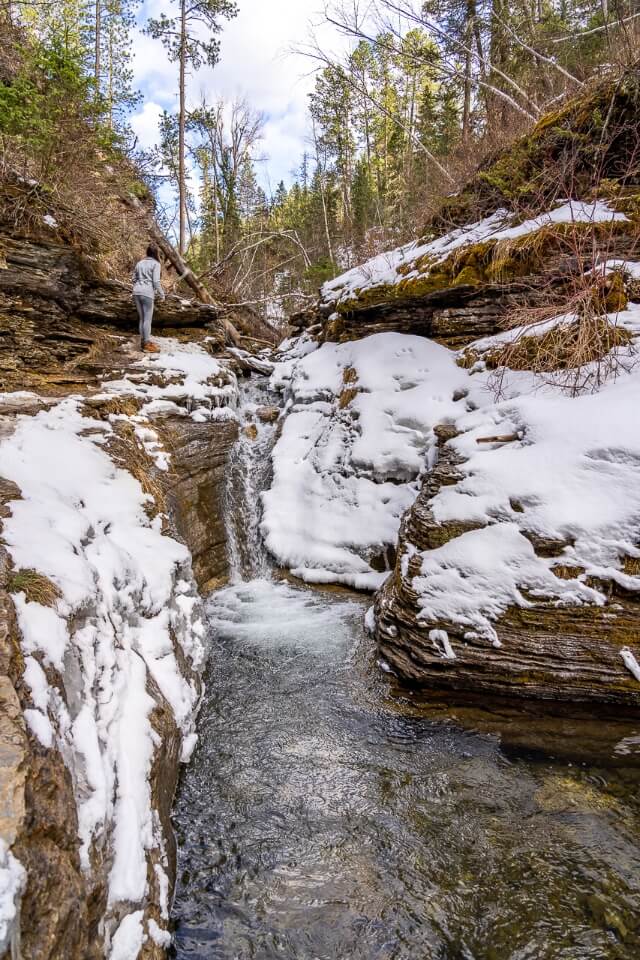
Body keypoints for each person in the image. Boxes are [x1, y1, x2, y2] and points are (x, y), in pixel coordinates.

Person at [132, 243, 165, 352]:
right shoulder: (156, 264)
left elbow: (133, 279)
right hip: (147, 293)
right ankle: (146, 344)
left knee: (142, 319)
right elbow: (156, 281)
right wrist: (161, 293)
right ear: (156, 253)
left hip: (136, 292)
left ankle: (143, 341)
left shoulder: (139, 263)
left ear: (147, 252)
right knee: (147, 319)